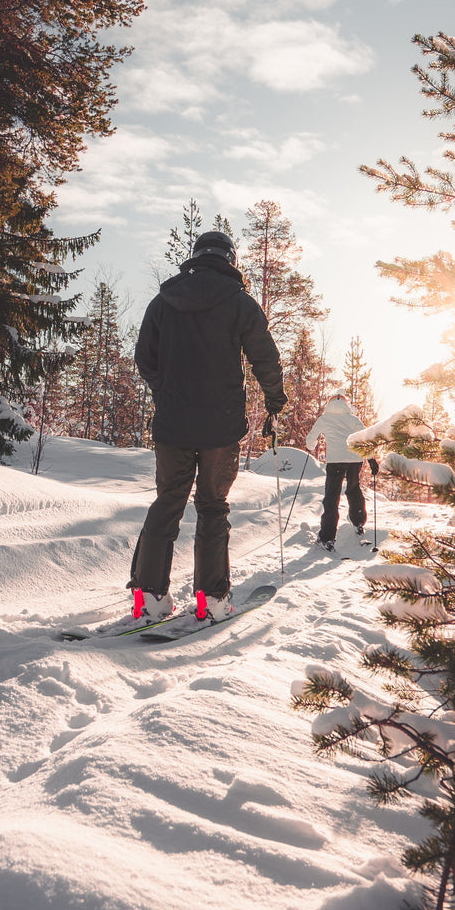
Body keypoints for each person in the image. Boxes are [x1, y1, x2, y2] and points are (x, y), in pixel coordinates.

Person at [131, 229, 287, 623]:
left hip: (172, 426)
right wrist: (274, 400)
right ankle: (212, 600)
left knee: (167, 503)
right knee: (213, 507)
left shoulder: (163, 301)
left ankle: (148, 598)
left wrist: (165, 389)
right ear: (230, 260)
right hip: (220, 427)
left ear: (196, 256)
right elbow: (265, 357)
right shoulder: (239, 303)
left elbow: (144, 358)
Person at [305, 393, 369, 552]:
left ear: (329, 403)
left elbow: (310, 441)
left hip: (335, 461)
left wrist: (311, 446)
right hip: (355, 460)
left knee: (332, 496)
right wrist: (372, 458)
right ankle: (359, 522)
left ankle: (327, 538)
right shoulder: (353, 419)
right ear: (346, 404)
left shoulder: (324, 419)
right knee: (354, 489)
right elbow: (367, 438)